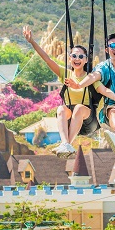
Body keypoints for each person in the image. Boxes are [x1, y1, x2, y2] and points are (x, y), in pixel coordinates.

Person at [23, 25, 101, 155]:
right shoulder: (65, 74)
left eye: (81, 57)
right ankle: (65, 144)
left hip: (88, 121)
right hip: (72, 121)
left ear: (86, 60)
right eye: (74, 56)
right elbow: (47, 60)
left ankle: (67, 144)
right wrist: (32, 42)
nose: (77, 59)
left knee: (79, 108)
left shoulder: (91, 77)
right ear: (69, 58)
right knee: (60, 109)